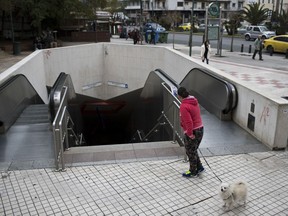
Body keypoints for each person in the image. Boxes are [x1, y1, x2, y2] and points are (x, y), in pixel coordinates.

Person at [177, 87, 205, 178]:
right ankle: (199, 167)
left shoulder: (184, 106)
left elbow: (189, 122)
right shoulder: (193, 100)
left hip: (193, 131)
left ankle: (193, 172)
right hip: (200, 128)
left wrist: (189, 134)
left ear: (179, 96)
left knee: (190, 151)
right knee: (193, 150)